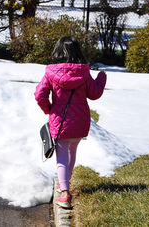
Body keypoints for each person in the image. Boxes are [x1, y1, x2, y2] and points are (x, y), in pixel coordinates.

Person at [34, 36, 107, 208]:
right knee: (72, 152)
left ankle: (65, 193)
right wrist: (102, 78)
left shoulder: (51, 73)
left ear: (58, 51)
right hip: (80, 121)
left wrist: (48, 109)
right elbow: (94, 94)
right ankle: (65, 183)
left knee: (61, 156)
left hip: (60, 121)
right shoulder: (83, 72)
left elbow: (40, 95)